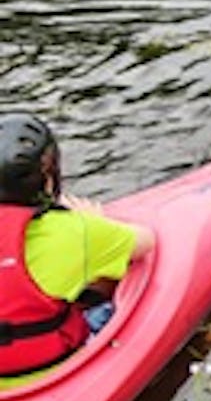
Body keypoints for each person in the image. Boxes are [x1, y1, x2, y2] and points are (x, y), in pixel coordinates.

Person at [0, 113, 156, 386]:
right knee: (110, 280)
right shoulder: (75, 230)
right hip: (52, 367)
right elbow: (146, 242)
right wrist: (95, 221)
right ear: (47, 178)